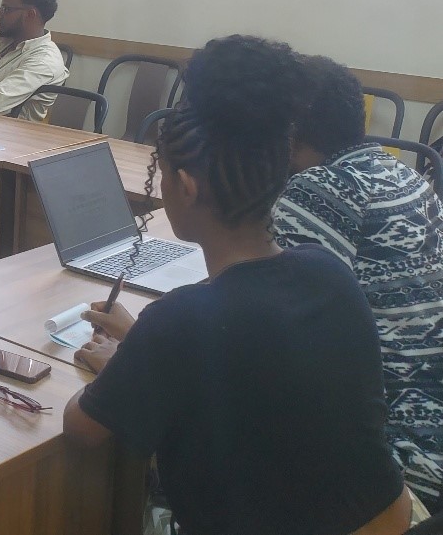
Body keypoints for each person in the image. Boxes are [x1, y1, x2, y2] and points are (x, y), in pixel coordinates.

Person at [63, 36, 413, 535]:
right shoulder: (329, 273)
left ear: (185, 187)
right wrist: (143, 346)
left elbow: (80, 430)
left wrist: (125, 365)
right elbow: (253, 359)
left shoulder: (179, 319)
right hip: (392, 520)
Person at [274, 55, 443, 513]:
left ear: (288, 130)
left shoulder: (317, 191)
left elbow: (281, 345)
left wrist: (154, 344)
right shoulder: (403, 174)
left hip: (396, 458)